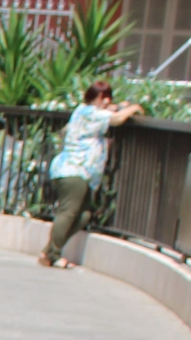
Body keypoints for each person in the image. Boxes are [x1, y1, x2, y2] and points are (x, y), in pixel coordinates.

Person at [40, 80, 145, 268]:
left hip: (78, 171)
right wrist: (134, 108)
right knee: (68, 212)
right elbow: (117, 119)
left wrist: (119, 106)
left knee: (84, 215)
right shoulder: (90, 113)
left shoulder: (84, 110)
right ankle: (52, 254)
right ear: (100, 98)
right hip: (74, 170)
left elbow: (109, 112)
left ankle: (49, 251)